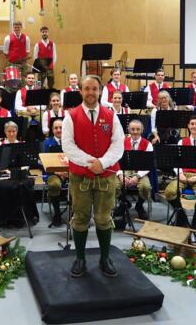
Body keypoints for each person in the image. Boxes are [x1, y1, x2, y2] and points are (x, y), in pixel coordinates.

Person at [62, 75, 124, 278]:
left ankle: (105, 258)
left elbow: (118, 143)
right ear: (80, 91)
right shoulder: (71, 116)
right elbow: (68, 146)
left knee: (103, 218)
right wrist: (91, 162)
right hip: (80, 176)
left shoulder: (111, 115)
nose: (90, 92)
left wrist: (102, 163)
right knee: (80, 217)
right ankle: (80, 258)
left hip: (106, 176)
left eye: (94, 88)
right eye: (87, 88)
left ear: (100, 91)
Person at [164, 115, 196, 229]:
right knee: (169, 192)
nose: (194, 126)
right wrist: (180, 174)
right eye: (192, 124)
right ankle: (182, 216)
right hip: (184, 175)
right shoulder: (181, 142)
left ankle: (195, 220)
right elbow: (176, 162)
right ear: (188, 126)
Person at [0, 121, 39, 228]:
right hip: (4, 172)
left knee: (25, 185)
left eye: (13, 131)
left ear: (17, 132)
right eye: (9, 131)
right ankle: (6, 217)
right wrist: (7, 171)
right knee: (3, 186)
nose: (11, 134)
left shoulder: (22, 144)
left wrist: (20, 170)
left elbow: (27, 163)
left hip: (20, 172)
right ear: (5, 132)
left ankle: (24, 216)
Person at [115, 120, 152, 220]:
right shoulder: (121, 143)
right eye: (132, 129)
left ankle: (139, 205)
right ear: (128, 130)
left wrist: (137, 176)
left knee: (145, 187)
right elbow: (115, 161)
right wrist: (120, 175)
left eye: (138, 129)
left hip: (140, 171)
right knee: (113, 186)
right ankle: (124, 202)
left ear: (142, 130)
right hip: (124, 171)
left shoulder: (148, 144)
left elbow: (148, 164)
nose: (135, 132)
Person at [42, 118, 67, 226]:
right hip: (53, 173)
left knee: (78, 183)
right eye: (56, 128)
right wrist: (58, 172)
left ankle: (75, 214)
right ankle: (57, 214)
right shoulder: (47, 143)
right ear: (52, 130)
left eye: (61, 127)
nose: (59, 130)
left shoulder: (70, 141)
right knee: (54, 185)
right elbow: (44, 163)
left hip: (69, 172)